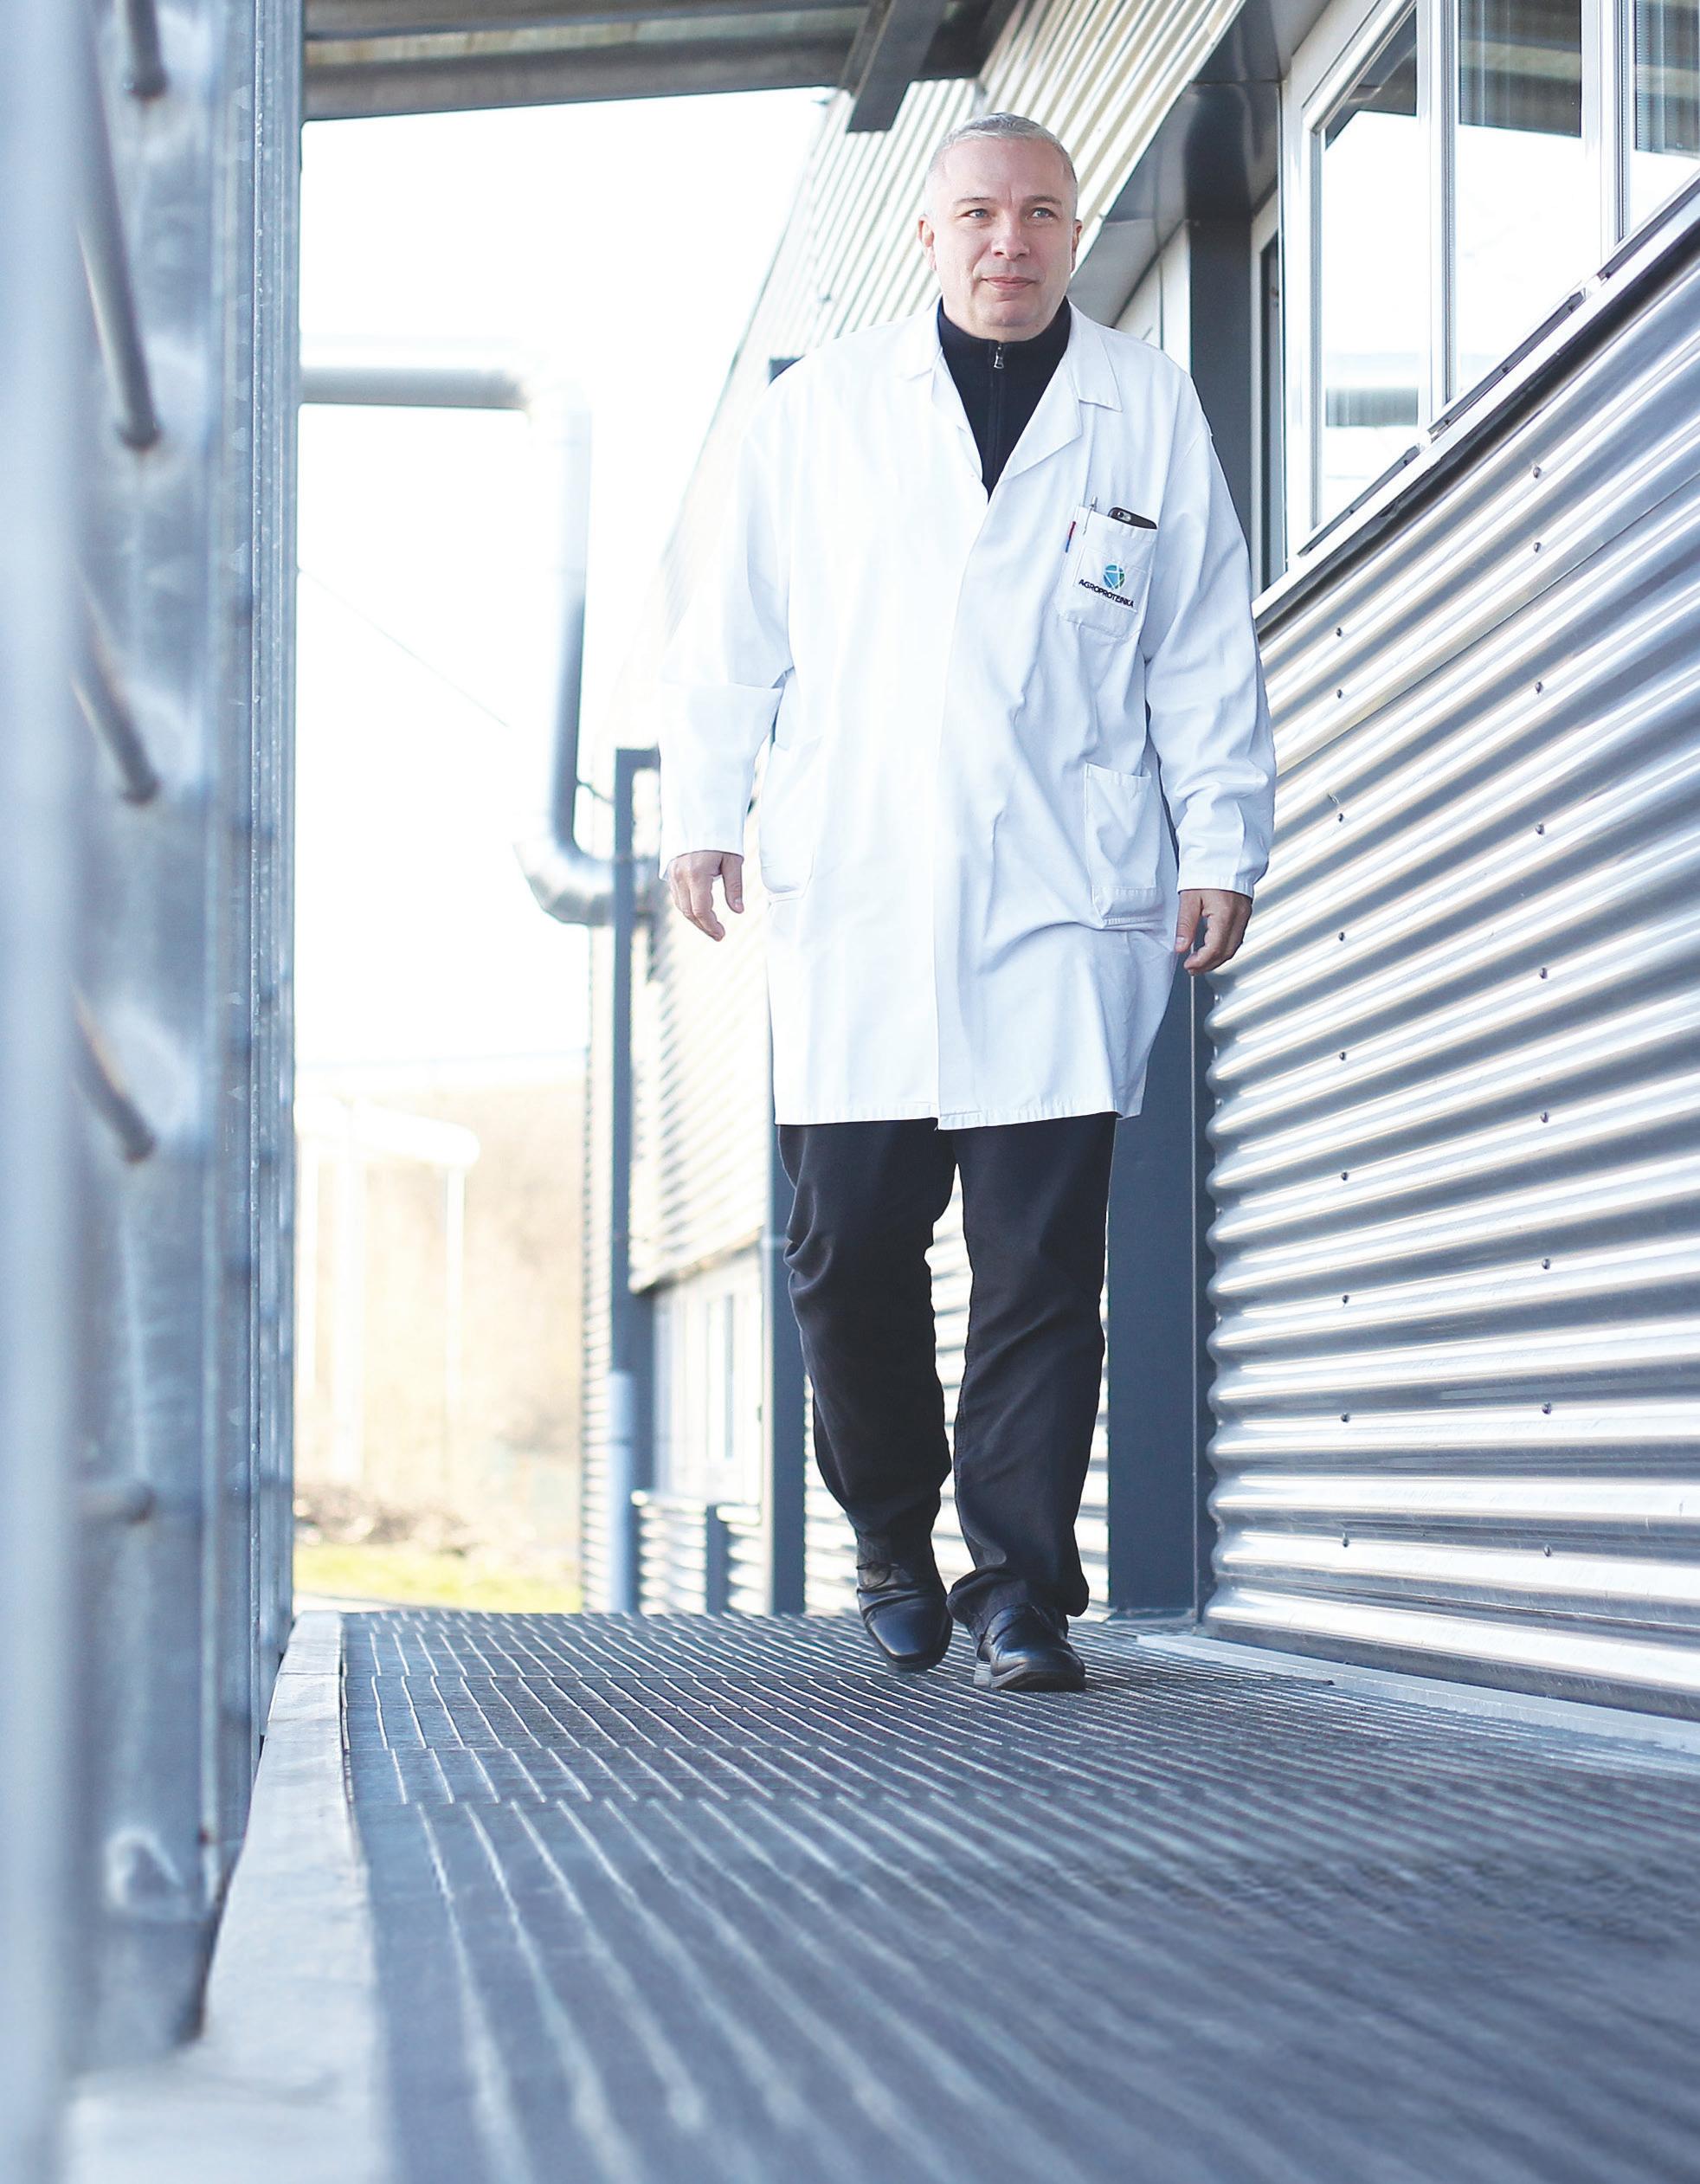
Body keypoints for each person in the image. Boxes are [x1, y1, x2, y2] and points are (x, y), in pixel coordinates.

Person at [655, 113, 1276, 1693]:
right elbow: (733, 637)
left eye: (1044, 213)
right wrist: (703, 813)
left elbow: (1202, 644)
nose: (1013, 240)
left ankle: (1020, 1592)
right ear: (927, 234)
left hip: (1063, 897)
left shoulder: (1145, 407)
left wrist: (1221, 840)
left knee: (1040, 1271)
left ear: (1074, 230)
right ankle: (889, 1534)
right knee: (844, 1252)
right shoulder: (822, 412)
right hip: (863, 897)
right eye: (983, 213)